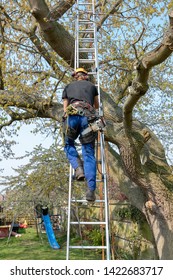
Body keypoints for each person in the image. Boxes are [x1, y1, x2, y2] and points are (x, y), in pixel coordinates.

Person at [62, 68, 99, 202]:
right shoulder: (92, 86)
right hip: (88, 119)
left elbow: (65, 109)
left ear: (75, 76)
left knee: (68, 144)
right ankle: (90, 191)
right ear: (86, 76)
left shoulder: (68, 87)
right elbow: (96, 105)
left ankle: (78, 169)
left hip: (72, 118)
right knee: (88, 153)